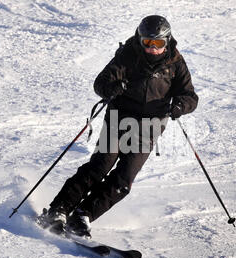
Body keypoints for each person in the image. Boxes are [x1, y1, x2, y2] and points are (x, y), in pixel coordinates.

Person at [38, 15, 198, 238]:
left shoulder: (175, 63)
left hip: (150, 126)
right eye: (147, 43)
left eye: (158, 44)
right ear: (139, 40)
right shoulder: (128, 56)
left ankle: (83, 215)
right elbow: (101, 82)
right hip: (119, 119)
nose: (152, 49)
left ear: (167, 41)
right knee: (100, 166)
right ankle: (59, 210)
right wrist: (112, 88)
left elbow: (189, 95)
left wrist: (181, 105)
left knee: (123, 180)